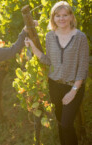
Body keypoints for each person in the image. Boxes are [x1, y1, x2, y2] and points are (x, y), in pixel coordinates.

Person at [25, 1, 89, 145]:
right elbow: (48, 61)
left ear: (71, 17)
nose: (61, 18)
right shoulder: (50, 37)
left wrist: (73, 91)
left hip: (74, 86)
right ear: (53, 18)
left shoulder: (80, 37)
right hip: (54, 86)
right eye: (58, 15)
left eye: (65, 15)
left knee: (67, 124)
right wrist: (32, 46)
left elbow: (83, 67)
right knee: (61, 122)